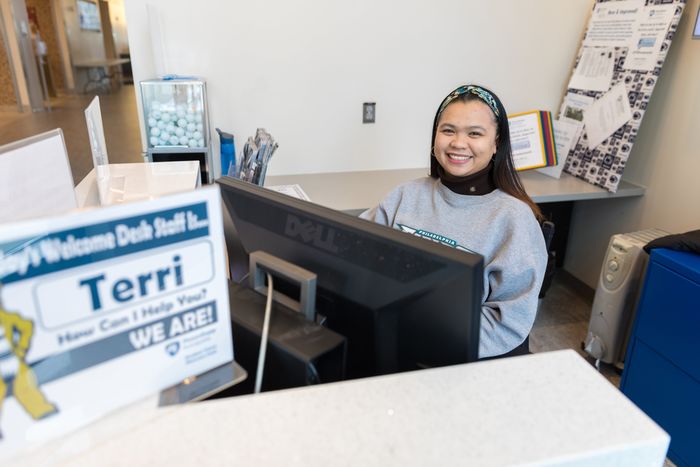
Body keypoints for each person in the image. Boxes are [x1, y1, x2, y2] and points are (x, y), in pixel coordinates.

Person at [360, 84, 547, 359]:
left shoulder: (514, 219)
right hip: (389, 339)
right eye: (448, 130)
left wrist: (421, 338)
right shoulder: (405, 195)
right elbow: (356, 256)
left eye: (475, 133)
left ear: (496, 143)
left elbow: (506, 323)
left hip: (456, 358)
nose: (458, 143)